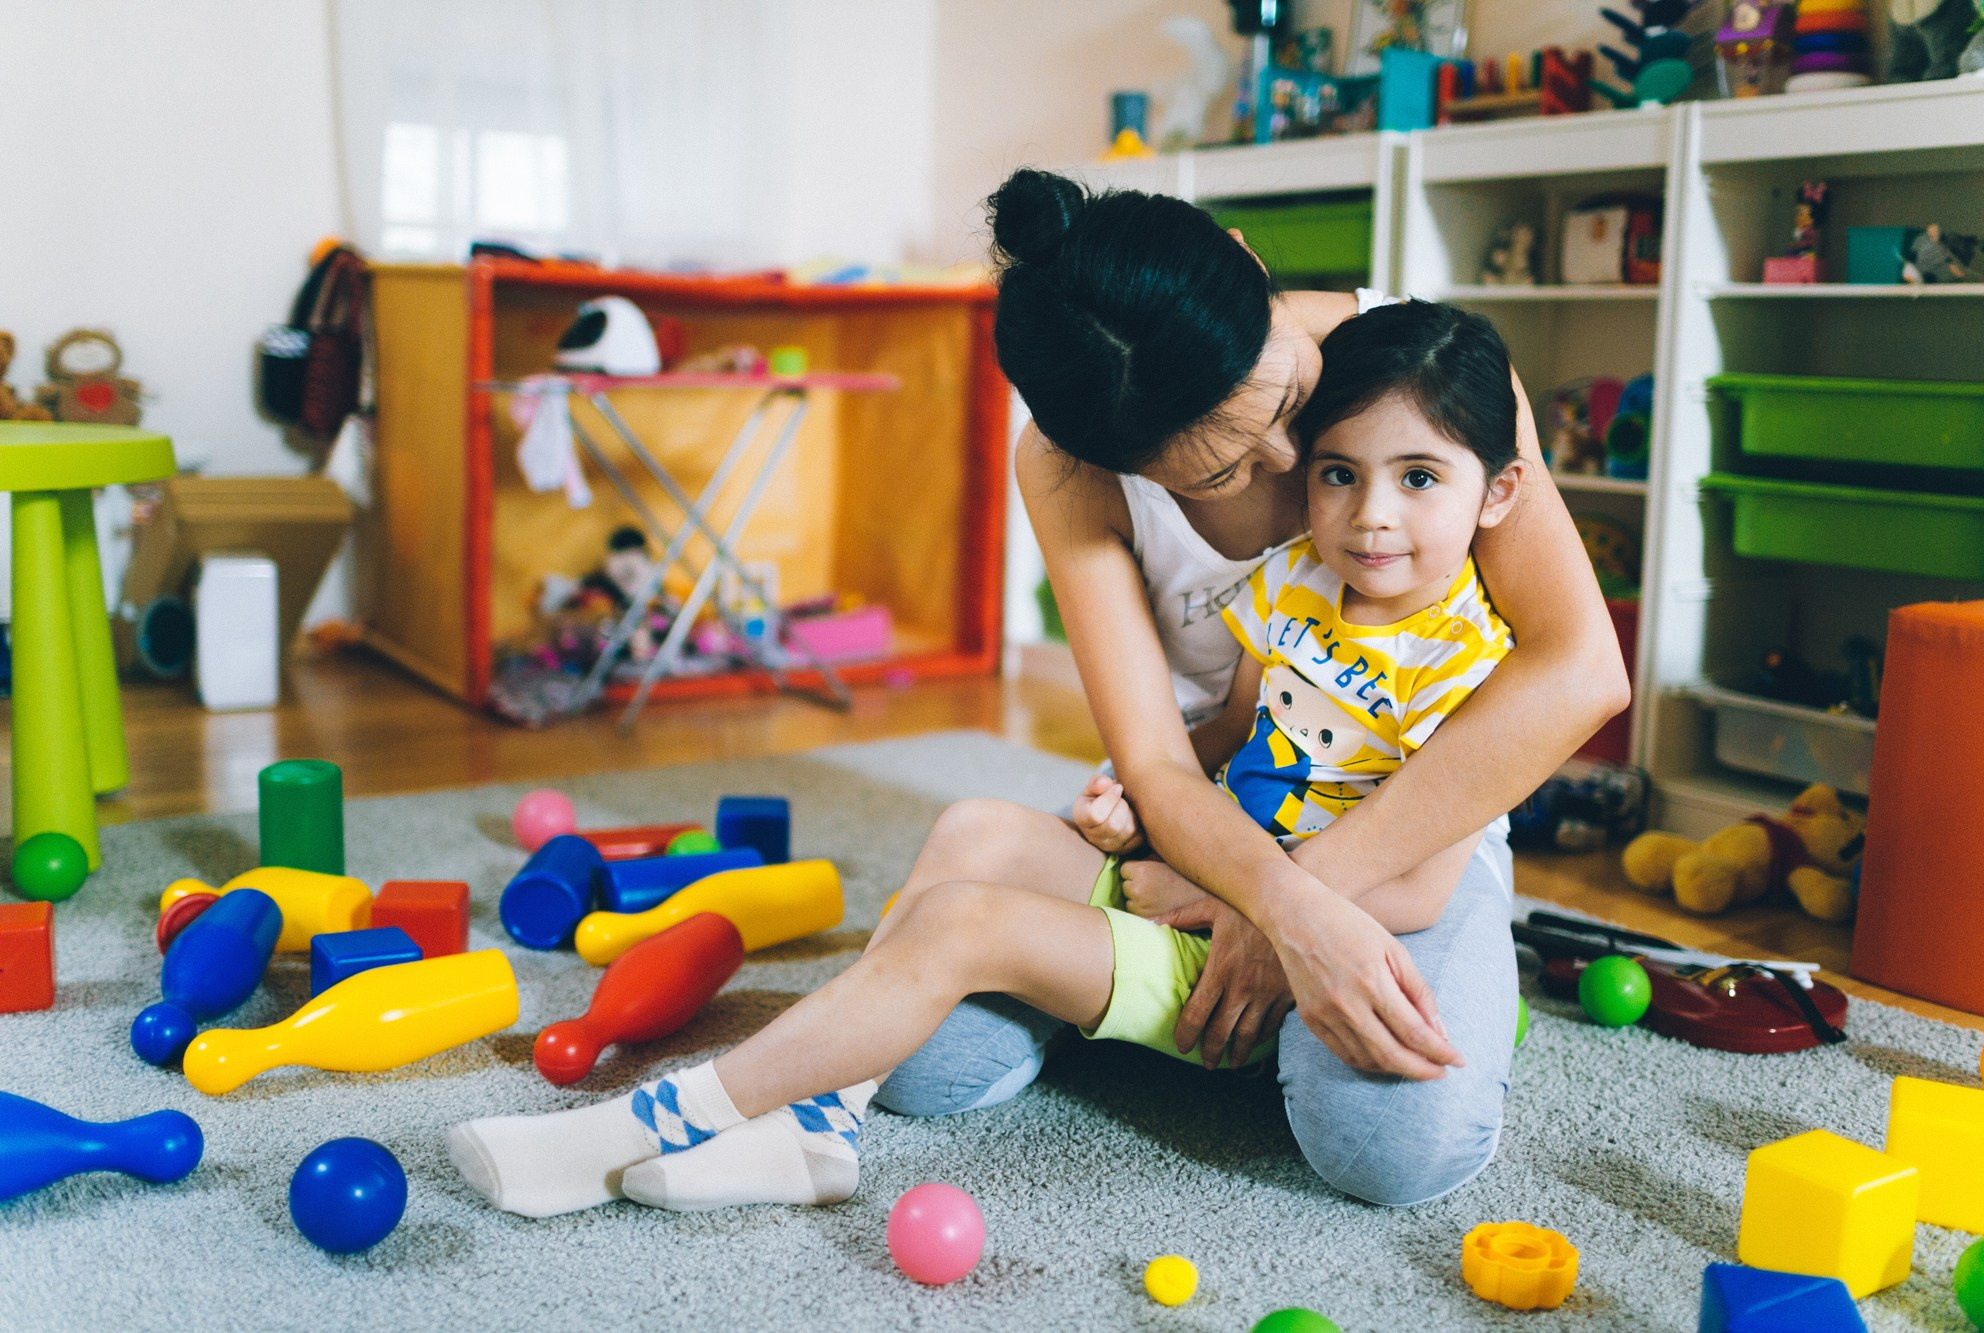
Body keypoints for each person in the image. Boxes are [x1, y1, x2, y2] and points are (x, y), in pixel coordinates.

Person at [445, 301, 1531, 1218]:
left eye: (1419, 480)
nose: (1370, 515)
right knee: (973, 829)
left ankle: (642, 1125)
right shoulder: (1296, 584)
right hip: (1212, 885)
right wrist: (1138, 812)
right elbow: (1233, 742)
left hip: (1290, 946)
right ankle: (820, 1129)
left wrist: (1214, 889)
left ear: (1496, 494)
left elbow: (1423, 877)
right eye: (1338, 474)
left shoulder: (1473, 661)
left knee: (963, 925)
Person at [870, 170, 1627, 1208]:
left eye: (1284, 405)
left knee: (1391, 1146)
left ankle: (1172, 1008)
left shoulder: (1422, 363)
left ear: (1246, 257)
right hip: (1191, 817)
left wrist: (1299, 901)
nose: (1284, 462)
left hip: (1404, 823)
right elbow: (1154, 759)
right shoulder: (1068, 462)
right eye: (1219, 471)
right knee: (920, 1066)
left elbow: (1577, 667)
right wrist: (1258, 894)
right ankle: (1186, 1006)